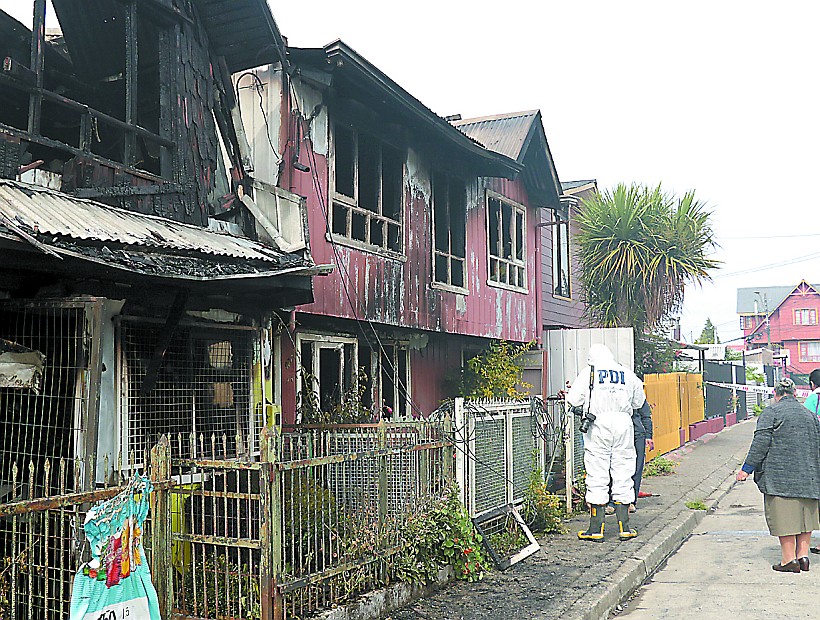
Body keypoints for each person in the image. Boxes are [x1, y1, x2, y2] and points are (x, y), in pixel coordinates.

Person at [736, 378, 820, 572]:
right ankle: (803, 557)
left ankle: (788, 560)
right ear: (795, 394)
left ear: (775, 394)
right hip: (809, 475)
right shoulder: (810, 416)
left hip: (780, 477)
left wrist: (746, 469)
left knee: (785, 517)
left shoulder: (771, 413)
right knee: (805, 516)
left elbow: (760, 444)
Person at [567, 344, 647, 542]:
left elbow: (573, 399)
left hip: (598, 423)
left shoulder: (589, 372)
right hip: (623, 423)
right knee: (624, 470)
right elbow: (639, 402)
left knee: (597, 472)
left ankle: (596, 529)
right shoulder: (627, 374)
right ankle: (625, 528)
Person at [631, 399, 655, 511]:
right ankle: (612, 502)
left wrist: (648, 436)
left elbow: (646, 415)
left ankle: (631, 501)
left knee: (636, 468)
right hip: (616, 434)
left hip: (637, 434)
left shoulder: (635, 390)